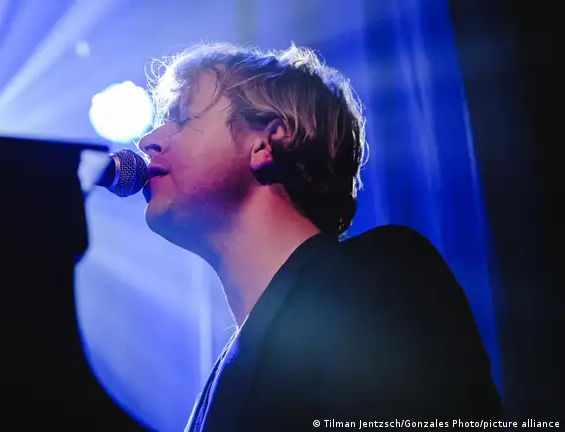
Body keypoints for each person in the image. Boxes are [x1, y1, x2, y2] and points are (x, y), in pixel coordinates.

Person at [137, 43, 503, 431]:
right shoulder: (215, 387)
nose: (147, 142)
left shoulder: (379, 276)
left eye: (181, 119)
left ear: (267, 142)